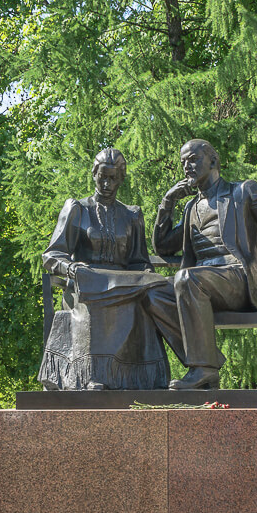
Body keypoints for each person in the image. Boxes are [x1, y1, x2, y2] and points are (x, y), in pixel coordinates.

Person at [144, 139, 257, 390]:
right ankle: (207, 360)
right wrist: (167, 202)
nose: (187, 166)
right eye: (183, 162)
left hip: (236, 280)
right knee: (151, 293)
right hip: (198, 284)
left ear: (213, 161)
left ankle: (203, 367)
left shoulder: (242, 192)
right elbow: (163, 246)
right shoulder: (190, 207)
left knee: (187, 278)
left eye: (193, 159)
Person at [39, 148, 173, 390]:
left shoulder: (131, 215)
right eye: (102, 177)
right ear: (93, 174)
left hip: (123, 284)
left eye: (112, 178)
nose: (106, 183)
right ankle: (90, 376)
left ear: (121, 179)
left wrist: (145, 275)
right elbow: (51, 255)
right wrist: (70, 268)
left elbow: (139, 260)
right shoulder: (78, 209)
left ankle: (142, 379)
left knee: (147, 298)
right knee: (95, 302)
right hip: (86, 284)